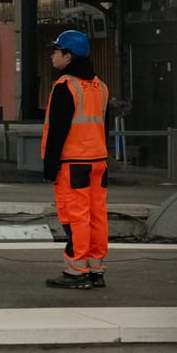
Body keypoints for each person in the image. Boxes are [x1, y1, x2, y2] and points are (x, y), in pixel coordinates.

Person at [42, 28, 110, 290]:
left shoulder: (65, 87)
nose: (52, 56)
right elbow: (103, 127)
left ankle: (76, 271)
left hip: (73, 163)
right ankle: (96, 269)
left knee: (76, 217)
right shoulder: (100, 87)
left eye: (56, 51)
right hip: (99, 161)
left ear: (68, 56)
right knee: (96, 215)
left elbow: (58, 131)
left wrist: (50, 166)